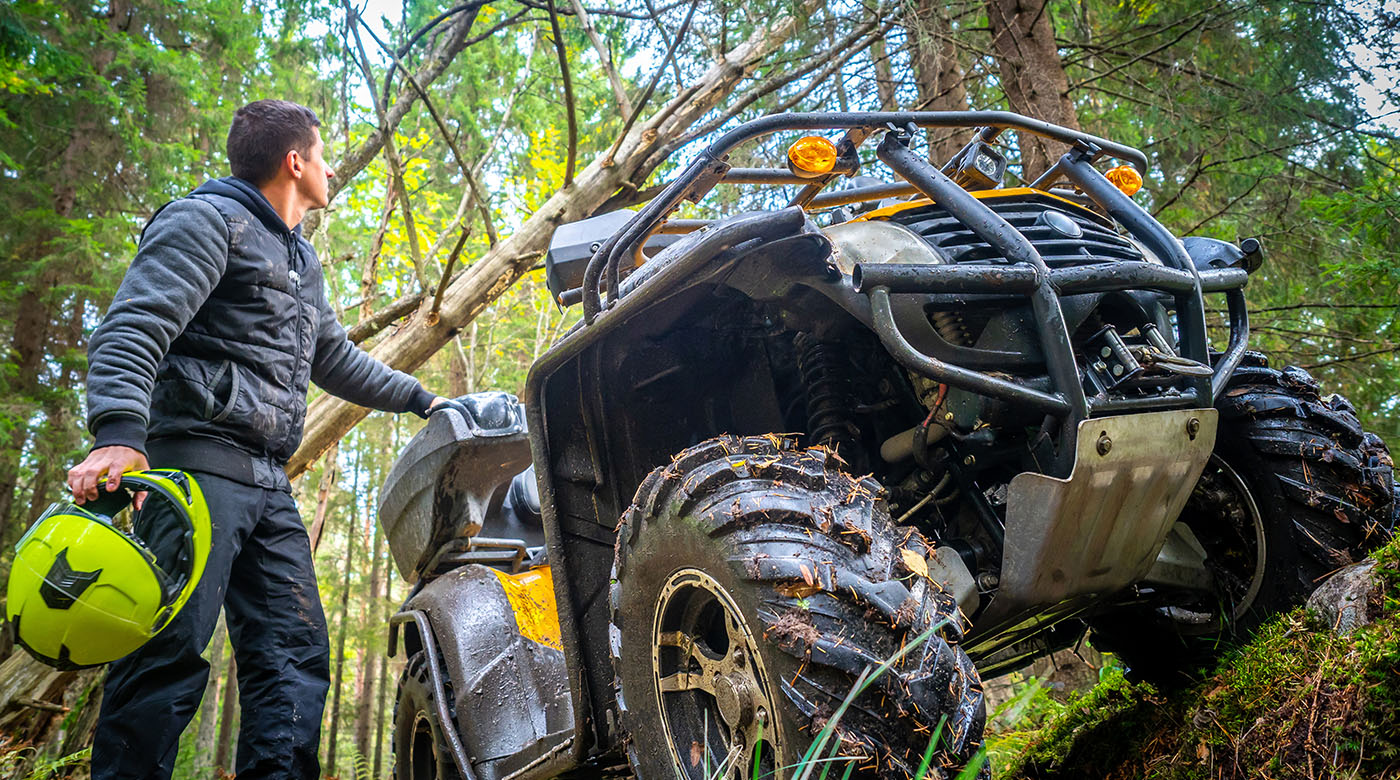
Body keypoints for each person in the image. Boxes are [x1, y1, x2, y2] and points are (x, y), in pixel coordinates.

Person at [65, 99, 444, 780]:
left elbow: (336, 359)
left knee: (294, 661)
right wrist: (118, 435)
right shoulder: (207, 221)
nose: (329, 168)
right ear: (295, 162)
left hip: (269, 486)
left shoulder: (301, 260)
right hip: (195, 472)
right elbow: (133, 327)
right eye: (323, 155)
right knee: (166, 656)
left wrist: (423, 400)